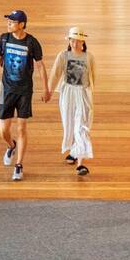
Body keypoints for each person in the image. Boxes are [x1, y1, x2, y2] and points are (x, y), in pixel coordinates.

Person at [0, 9, 50, 182]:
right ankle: (11, 145)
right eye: (9, 21)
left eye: (12, 22)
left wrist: (46, 89)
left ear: (22, 24)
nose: (9, 24)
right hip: (6, 89)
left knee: (21, 128)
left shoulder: (32, 42)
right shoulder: (4, 39)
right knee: (3, 130)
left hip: (25, 91)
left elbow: (40, 66)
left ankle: (19, 165)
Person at [50, 27, 95, 177]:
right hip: (67, 93)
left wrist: (89, 95)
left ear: (83, 41)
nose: (75, 43)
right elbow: (55, 74)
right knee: (69, 123)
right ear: (69, 41)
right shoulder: (63, 56)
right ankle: (74, 152)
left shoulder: (89, 57)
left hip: (82, 93)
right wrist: (48, 91)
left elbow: (92, 77)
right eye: (72, 40)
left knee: (81, 125)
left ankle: (80, 164)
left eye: (78, 40)